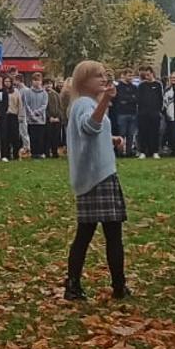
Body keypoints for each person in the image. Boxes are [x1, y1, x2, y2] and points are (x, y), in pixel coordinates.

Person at [62, 60, 130, 301]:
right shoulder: (83, 104)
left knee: (89, 233)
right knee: (106, 234)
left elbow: (91, 134)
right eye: (96, 76)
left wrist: (110, 139)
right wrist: (105, 101)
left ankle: (77, 284)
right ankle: (116, 286)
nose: (103, 79)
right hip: (97, 176)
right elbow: (90, 127)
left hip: (98, 173)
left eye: (104, 75)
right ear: (83, 81)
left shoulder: (86, 104)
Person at [110, 70, 138, 158]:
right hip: (121, 113)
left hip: (133, 113)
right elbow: (119, 99)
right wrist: (128, 99)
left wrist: (127, 100)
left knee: (130, 134)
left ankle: (129, 152)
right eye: (129, 75)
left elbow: (135, 99)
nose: (131, 78)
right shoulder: (118, 87)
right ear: (123, 75)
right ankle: (120, 152)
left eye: (132, 76)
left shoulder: (134, 87)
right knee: (121, 134)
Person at [21, 75, 50, 159]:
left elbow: (44, 105)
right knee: (32, 136)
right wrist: (32, 114)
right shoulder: (28, 92)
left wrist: (37, 112)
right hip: (31, 119)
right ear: (32, 81)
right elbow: (27, 104)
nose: (36, 82)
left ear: (41, 82)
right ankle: (33, 153)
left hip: (41, 119)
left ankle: (40, 153)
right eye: (35, 80)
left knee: (40, 136)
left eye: (38, 80)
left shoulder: (44, 93)